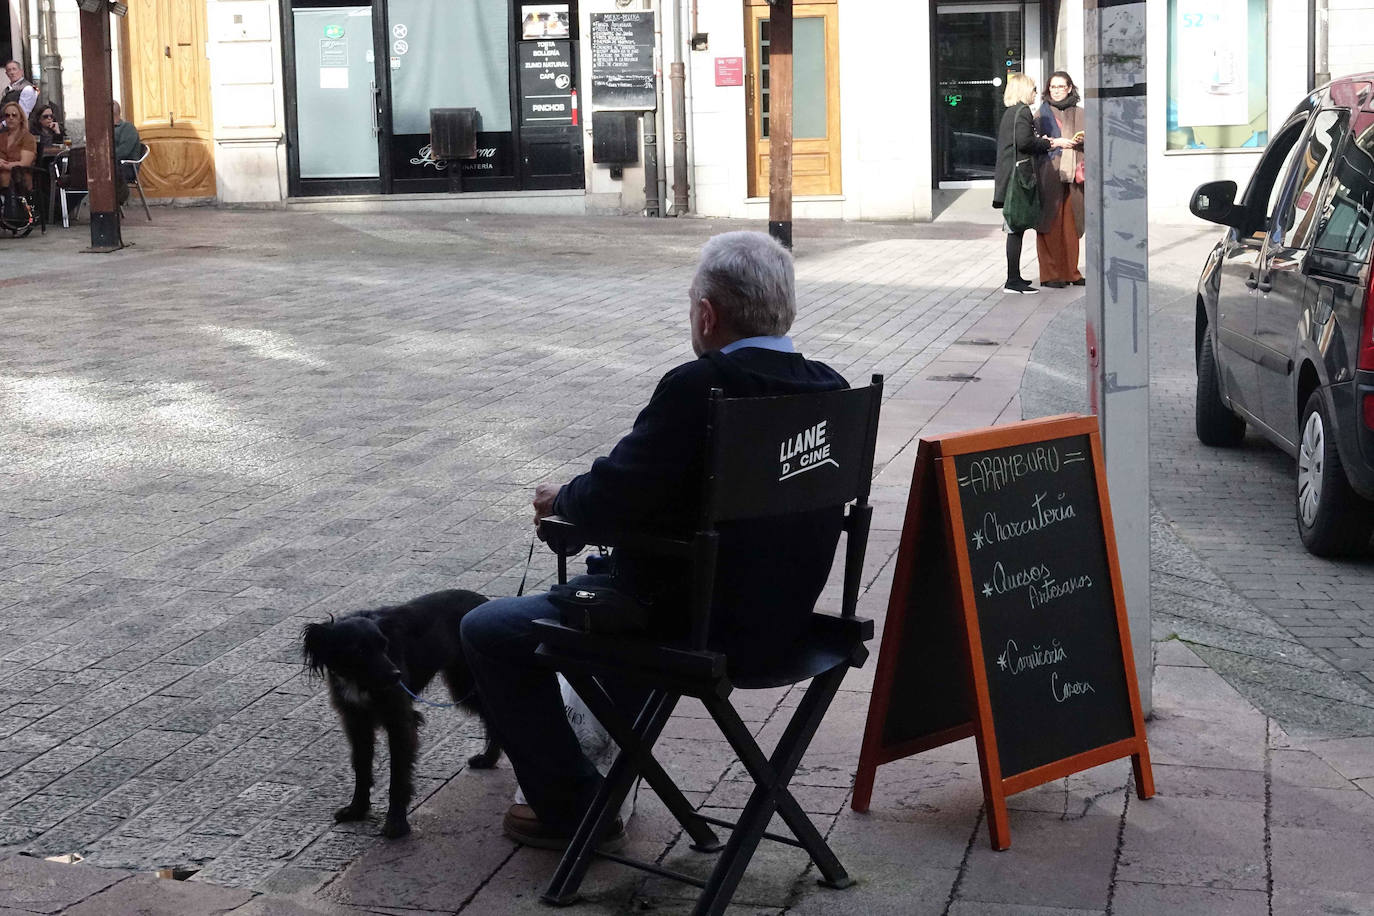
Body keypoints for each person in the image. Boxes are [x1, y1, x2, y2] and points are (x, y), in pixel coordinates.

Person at [460, 230, 849, 849]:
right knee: (616, 588)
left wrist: (560, 501)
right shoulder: (833, 389)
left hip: (696, 625)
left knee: (488, 629)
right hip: (786, 619)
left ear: (706, 314)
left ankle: (573, 807)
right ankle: (609, 772)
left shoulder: (699, 388)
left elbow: (611, 497)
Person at [992, 72, 1074, 295]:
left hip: (1010, 177)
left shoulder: (1013, 112)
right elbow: (1025, 142)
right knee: (1015, 227)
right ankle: (1012, 281)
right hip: (1016, 179)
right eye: (1033, 88)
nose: (1036, 93)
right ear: (1023, 90)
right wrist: (1051, 142)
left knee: (1015, 228)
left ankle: (1015, 277)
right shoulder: (1022, 112)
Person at [1035, 71, 1086, 288]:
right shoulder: (1040, 115)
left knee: (1071, 226)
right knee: (1050, 225)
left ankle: (1071, 273)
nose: (1056, 91)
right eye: (1053, 87)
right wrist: (1056, 142)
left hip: (1074, 175)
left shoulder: (1082, 113)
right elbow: (1034, 143)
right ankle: (1050, 275)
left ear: (1069, 88)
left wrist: (1081, 141)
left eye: (1061, 86)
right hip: (1049, 174)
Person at [0, 100, 36, 191]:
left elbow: (24, 163)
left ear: (20, 118)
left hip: (20, 180)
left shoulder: (28, 138)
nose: (10, 118)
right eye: (7, 115)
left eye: (14, 115)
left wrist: (3, 165)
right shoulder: (1, 137)